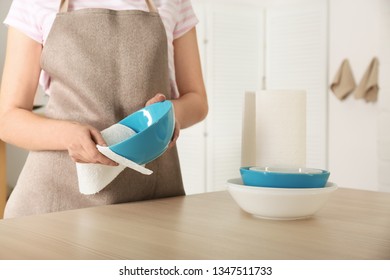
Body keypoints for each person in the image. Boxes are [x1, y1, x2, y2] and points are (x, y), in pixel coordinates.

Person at [0, 0, 208, 218]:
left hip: (150, 200)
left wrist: (167, 115)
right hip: (55, 202)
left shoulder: (174, 2)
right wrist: (68, 135)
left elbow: (197, 101)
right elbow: (8, 119)